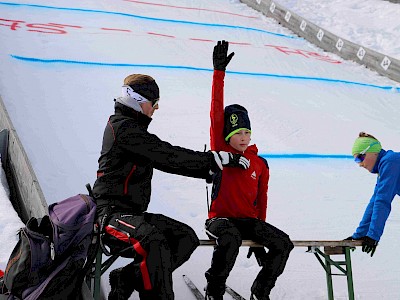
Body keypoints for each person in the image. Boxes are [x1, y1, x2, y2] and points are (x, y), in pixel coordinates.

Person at [92, 74, 251, 300]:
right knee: (153, 241)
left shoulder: (132, 128)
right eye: (153, 103)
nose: (156, 109)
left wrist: (210, 167)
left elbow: (166, 158)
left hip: (132, 215)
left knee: (185, 238)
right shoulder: (124, 129)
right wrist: (212, 160)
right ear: (137, 101)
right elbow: (167, 155)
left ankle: (127, 277)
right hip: (110, 216)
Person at [204, 40, 294, 300]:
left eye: (247, 132)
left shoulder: (260, 163)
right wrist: (218, 73)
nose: (243, 137)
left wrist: (260, 232)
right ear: (227, 136)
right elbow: (215, 113)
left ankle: (260, 290)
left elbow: (261, 200)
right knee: (230, 239)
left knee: (283, 243)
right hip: (219, 220)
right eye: (237, 133)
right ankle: (215, 289)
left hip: (248, 222)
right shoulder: (222, 151)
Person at [346, 132, 400, 257]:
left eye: (360, 158)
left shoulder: (391, 162)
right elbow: (375, 202)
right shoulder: (385, 166)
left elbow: (383, 202)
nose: (359, 164)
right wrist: (358, 235)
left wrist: (373, 236)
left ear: (373, 152)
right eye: (356, 160)